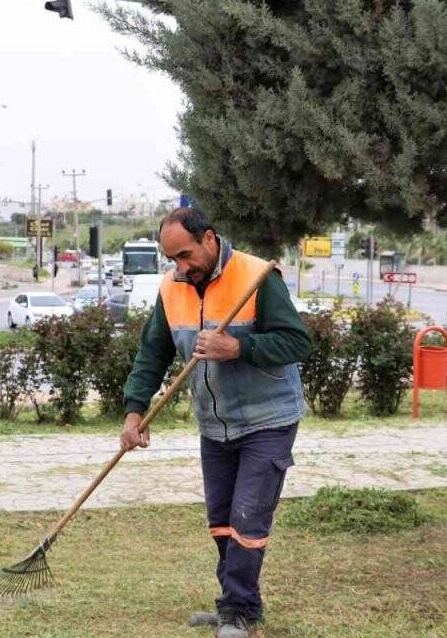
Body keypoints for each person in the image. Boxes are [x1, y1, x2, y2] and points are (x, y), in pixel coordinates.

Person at [121, 207, 310, 638]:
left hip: (268, 419)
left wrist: (238, 347)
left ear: (208, 239)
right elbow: (152, 353)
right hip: (214, 423)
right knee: (222, 520)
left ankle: (236, 610)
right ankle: (241, 604)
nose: (180, 267)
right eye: (172, 259)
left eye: (185, 255)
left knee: (247, 518)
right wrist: (135, 410)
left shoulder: (258, 277)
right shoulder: (172, 288)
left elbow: (297, 342)